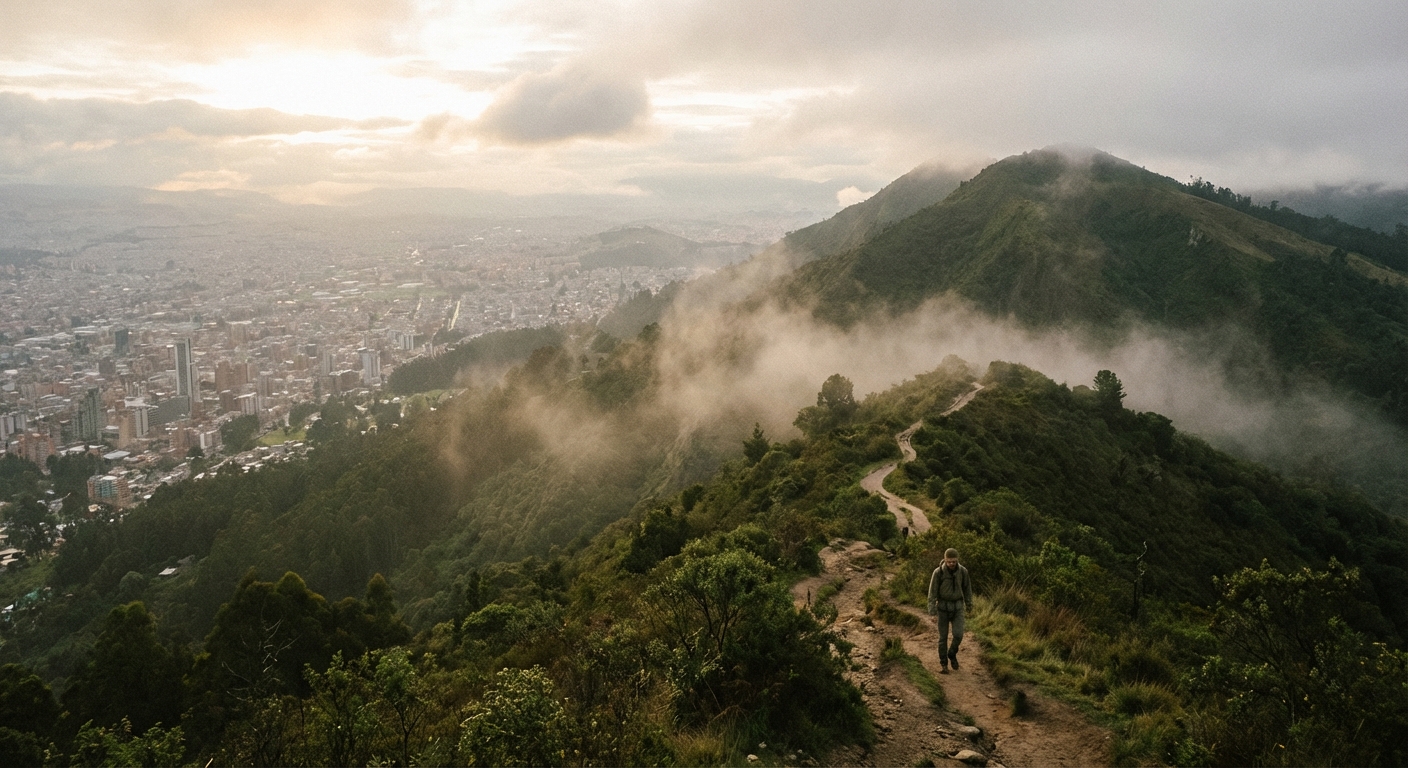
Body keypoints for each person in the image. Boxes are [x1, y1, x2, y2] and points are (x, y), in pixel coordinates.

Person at [927, 548, 973, 673]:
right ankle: (944, 664)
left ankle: (952, 653)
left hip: (958, 607)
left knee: (958, 634)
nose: (951, 564)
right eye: (949, 562)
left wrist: (969, 606)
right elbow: (932, 593)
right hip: (942, 608)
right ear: (945, 560)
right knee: (943, 638)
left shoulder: (963, 572)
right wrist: (932, 612)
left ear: (957, 560)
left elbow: (967, 589)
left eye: (953, 561)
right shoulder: (938, 573)